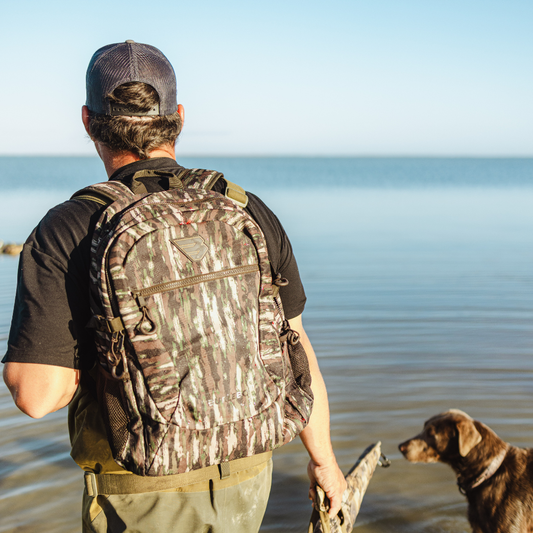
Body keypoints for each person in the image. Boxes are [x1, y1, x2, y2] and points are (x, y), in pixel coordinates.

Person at [2, 41, 346, 532]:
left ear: (86, 120)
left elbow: (36, 397)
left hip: (140, 490)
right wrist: (325, 461)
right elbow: (294, 347)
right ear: (179, 117)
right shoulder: (245, 209)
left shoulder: (68, 228)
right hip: (248, 475)